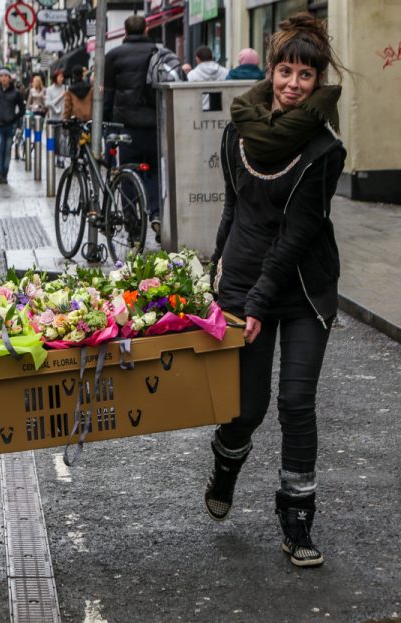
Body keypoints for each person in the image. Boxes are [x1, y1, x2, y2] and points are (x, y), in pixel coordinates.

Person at [204, 13, 347, 569]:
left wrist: (262, 300)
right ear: (270, 71)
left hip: (304, 287)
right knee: (247, 408)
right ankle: (225, 464)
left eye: (305, 76)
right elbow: (236, 208)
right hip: (241, 284)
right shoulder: (237, 128)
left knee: (295, 403)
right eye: (285, 71)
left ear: (318, 81)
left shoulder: (323, 149)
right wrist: (213, 276)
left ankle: (297, 518)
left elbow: (297, 234)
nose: (293, 84)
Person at [104, 14, 173, 243]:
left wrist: (106, 126)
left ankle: (133, 227)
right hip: (154, 123)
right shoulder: (158, 52)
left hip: (126, 127)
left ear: (125, 31)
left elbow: (108, 95)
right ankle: (155, 213)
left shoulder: (113, 56)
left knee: (127, 174)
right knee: (154, 172)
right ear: (146, 29)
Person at [0, 68, 25, 185]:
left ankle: (4, 174)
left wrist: (14, 118)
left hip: (10, 126)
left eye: (5, 76)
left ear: (9, 78)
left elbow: (22, 109)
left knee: (7, 151)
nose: (3, 78)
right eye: (1, 76)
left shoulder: (16, 93)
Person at [45, 70, 66, 167]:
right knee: (53, 140)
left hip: (62, 118)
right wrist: (60, 97)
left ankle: (61, 159)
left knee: (62, 139)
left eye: (62, 77)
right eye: (60, 76)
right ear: (55, 78)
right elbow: (47, 103)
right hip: (52, 119)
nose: (62, 78)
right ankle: (51, 158)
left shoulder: (65, 88)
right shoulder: (49, 89)